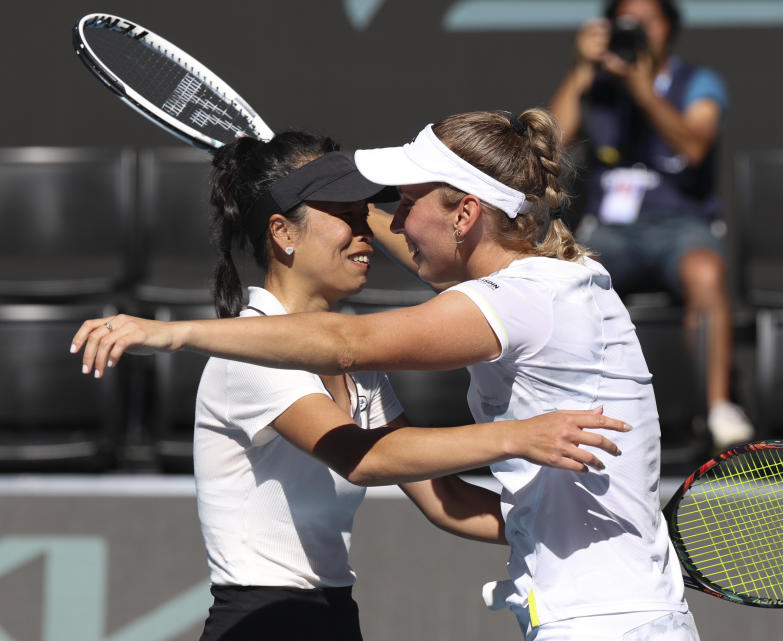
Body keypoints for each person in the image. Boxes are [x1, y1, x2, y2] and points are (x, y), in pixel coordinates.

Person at [72, 109, 700, 641]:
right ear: (282, 233)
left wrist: (174, 331)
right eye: (358, 212)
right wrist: (568, 511)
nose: (385, 223)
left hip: (601, 619)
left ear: (465, 214)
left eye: (398, 204)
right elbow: (378, 459)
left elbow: (358, 356)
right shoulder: (260, 352)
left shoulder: (521, 299)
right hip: (265, 622)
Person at [548, 0, 753, 450]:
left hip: (682, 224)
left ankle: (717, 407)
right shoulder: (596, 84)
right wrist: (583, 69)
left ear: (669, 30)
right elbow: (549, 147)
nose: (637, 29)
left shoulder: (698, 82)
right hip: (611, 230)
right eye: (628, 21)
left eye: (649, 21)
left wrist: (643, 91)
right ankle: (565, 407)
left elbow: (695, 145)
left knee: (706, 272)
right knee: (565, 278)